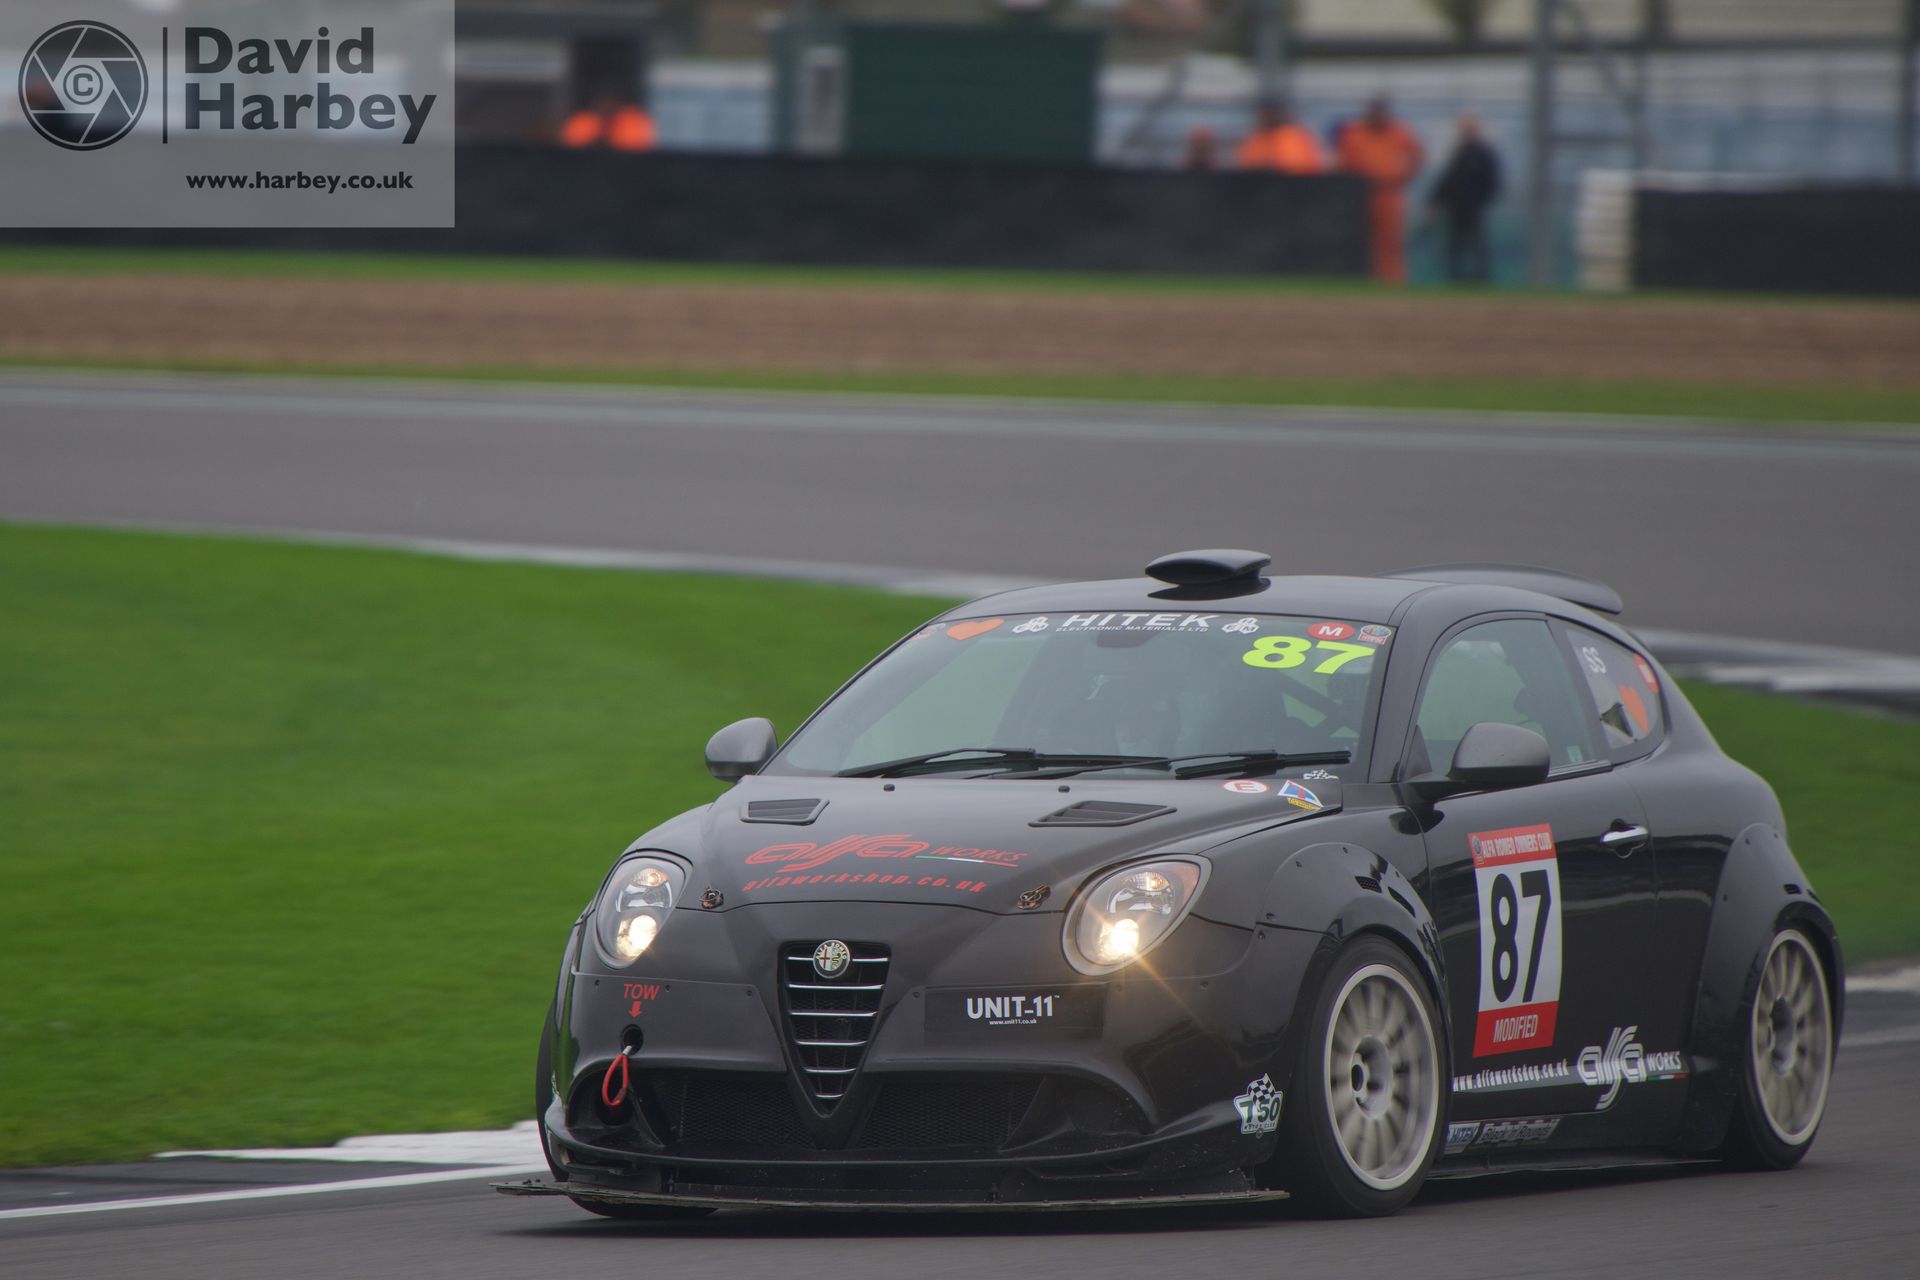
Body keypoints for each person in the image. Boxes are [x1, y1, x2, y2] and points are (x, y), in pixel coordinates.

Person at [1337, 96, 1425, 284]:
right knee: (1363, 240)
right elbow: (1344, 163)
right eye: (1374, 111)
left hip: (1389, 193)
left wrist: (1404, 176)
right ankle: (1366, 279)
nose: (1377, 116)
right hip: (1361, 195)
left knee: (1391, 242)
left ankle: (1393, 281)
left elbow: (1417, 155)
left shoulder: (1398, 131)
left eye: (1380, 111)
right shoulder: (1356, 133)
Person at [1428, 114, 1502, 283]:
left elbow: (1493, 182)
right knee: (1455, 244)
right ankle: (1456, 277)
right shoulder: (1459, 152)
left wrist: (1482, 200)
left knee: (1477, 243)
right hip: (1456, 207)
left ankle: (1482, 277)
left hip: (1474, 207)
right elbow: (1448, 180)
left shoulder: (1484, 153)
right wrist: (1434, 201)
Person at [1236, 99, 1326, 174]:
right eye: (1265, 114)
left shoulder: (1296, 137)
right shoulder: (1254, 139)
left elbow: (1301, 166)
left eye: (1271, 113)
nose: (1267, 117)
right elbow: (1247, 166)